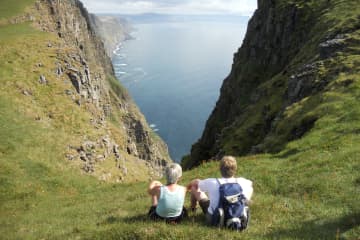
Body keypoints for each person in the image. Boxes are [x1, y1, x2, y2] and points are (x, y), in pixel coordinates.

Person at [187, 156, 253, 225]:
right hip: (238, 216)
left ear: (220, 169)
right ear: (235, 169)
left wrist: (186, 188)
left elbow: (195, 183)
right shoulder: (242, 181)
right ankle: (241, 209)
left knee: (194, 187)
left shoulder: (212, 182)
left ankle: (193, 208)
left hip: (214, 219)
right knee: (248, 191)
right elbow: (251, 184)